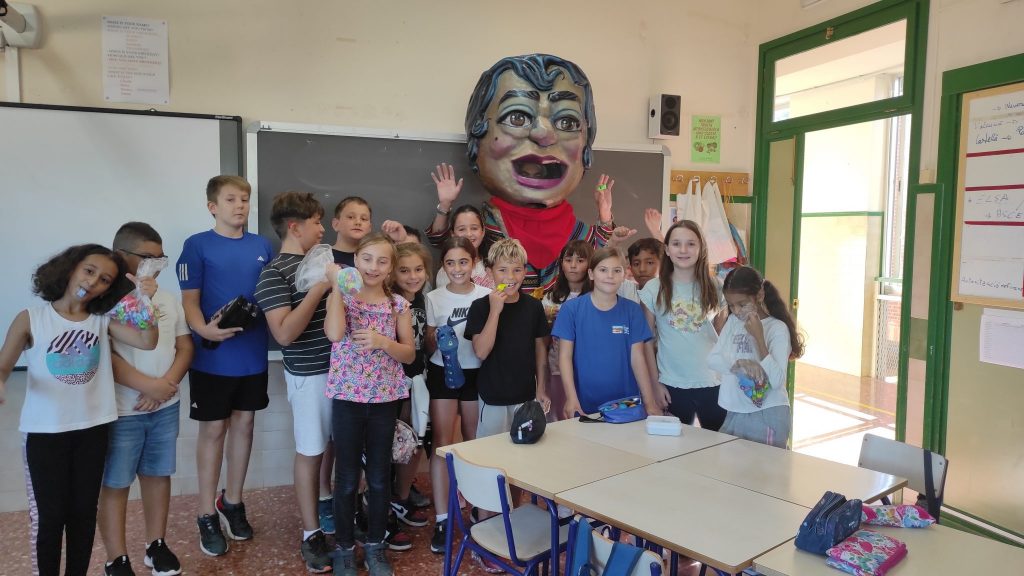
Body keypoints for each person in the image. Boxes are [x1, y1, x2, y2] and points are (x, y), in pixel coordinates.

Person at [0, 244, 158, 576]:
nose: (93, 282)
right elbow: (3, 366)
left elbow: (147, 341)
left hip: (93, 431)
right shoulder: (32, 318)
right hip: (45, 434)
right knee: (50, 518)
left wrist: (144, 301)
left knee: (83, 515)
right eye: (89, 271)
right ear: (70, 268)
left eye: (104, 280)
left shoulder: (101, 320)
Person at [424, 54, 634, 293]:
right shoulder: (483, 226)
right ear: (477, 138)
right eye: (517, 117)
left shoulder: (578, 233)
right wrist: (444, 206)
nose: (544, 134)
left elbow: (601, 255)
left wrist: (605, 216)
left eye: (567, 122)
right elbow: (447, 246)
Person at [176, 175, 273, 556]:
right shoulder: (197, 245)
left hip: (252, 355)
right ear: (213, 207)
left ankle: (232, 502)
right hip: (212, 356)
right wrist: (204, 330)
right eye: (231, 199)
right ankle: (205, 513)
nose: (240, 205)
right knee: (214, 430)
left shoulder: (262, 245)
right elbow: (189, 300)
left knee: (245, 425)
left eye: (244, 199)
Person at [96, 224, 191, 576]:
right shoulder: (104, 299)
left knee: (157, 475)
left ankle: (156, 545)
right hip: (123, 409)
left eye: (160, 258)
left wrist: (166, 385)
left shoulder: (167, 298)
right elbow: (105, 355)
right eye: (148, 258)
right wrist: (147, 387)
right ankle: (116, 557)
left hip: (164, 405)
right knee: (116, 482)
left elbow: (184, 346)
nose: (156, 265)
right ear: (121, 256)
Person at [325, 233, 415, 576]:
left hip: (384, 400)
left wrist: (382, 342)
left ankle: (376, 545)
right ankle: (345, 548)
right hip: (347, 398)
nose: (373, 267)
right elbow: (335, 334)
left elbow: (409, 354)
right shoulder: (343, 298)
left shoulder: (398, 305)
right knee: (347, 477)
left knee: (378, 477)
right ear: (355, 261)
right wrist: (337, 287)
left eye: (382, 261)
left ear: (391, 268)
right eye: (367, 259)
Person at [253, 191, 334, 573]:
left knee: (339, 447)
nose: (322, 229)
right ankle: (311, 533)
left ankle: (338, 513)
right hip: (309, 376)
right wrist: (319, 288)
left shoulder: (323, 265)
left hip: (345, 374)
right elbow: (284, 334)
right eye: (316, 222)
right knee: (311, 450)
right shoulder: (274, 274)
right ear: (294, 227)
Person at [423, 236, 492, 553]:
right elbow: (428, 344)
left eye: (463, 261)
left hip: (477, 373)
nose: (457, 268)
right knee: (442, 445)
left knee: (475, 443)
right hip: (443, 374)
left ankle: (479, 510)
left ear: (474, 263)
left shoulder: (487, 296)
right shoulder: (433, 298)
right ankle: (442, 518)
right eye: (450, 263)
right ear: (443, 266)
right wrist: (437, 338)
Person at [639, 220, 727, 430]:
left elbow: (723, 334)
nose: (683, 250)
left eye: (691, 244)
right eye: (677, 244)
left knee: (718, 445)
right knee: (675, 446)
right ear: (667, 249)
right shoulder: (653, 288)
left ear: (701, 248)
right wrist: (655, 384)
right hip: (671, 384)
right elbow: (646, 342)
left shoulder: (716, 286)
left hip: (715, 382)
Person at [552, 247, 654, 419]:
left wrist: (650, 401)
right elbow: (564, 357)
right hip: (583, 404)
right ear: (591, 274)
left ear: (624, 274)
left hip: (626, 404)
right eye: (603, 270)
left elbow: (637, 358)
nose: (610, 276)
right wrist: (571, 398)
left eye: (617, 270)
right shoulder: (571, 310)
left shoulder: (632, 310)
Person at [709, 266, 804, 448]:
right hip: (735, 411)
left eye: (742, 304)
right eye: (731, 305)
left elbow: (777, 380)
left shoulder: (776, 328)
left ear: (759, 295)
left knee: (764, 467)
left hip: (767, 414)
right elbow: (713, 359)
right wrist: (739, 364)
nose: (736, 311)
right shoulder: (733, 322)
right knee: (727, 465)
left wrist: (759, 337)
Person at [465, 238, 550, 437]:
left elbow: (540, 351)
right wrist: (495, 311)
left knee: (526, 447)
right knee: (491, 450)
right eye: (502, 270)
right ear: (489, 272)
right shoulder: (480, 307)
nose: (510, 277)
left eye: (517, 270)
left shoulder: (534, 307)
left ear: (525, 271)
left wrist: (541, 388)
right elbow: (481, 352)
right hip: (492, 396)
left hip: (526, 395)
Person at [384, 241, 434, 551]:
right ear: (393, 272)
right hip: (392, 384)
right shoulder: (388, 302)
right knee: (392, 444)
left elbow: (424, 344)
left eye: (418, 269)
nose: (413, 276)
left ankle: (401, 498)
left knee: (414, 442)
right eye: (404, 270)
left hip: (419, 380)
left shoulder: (425, 301)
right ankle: (382, 506)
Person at [541, 240, 593, 421]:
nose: (573, 265)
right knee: (560, 414)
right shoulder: (550, 298)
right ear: (561, 263)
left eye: (580, 260)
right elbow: (544, 338)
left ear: (590, 265)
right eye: (568, 260)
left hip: (588, 366)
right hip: (557, 366)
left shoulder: (596, 297)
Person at [332, 196, 373, 267]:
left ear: (370, 228)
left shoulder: (375, 260)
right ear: (336, 224)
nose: (358, 222)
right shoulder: (322, 257)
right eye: (350, 217)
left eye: (363, 219)